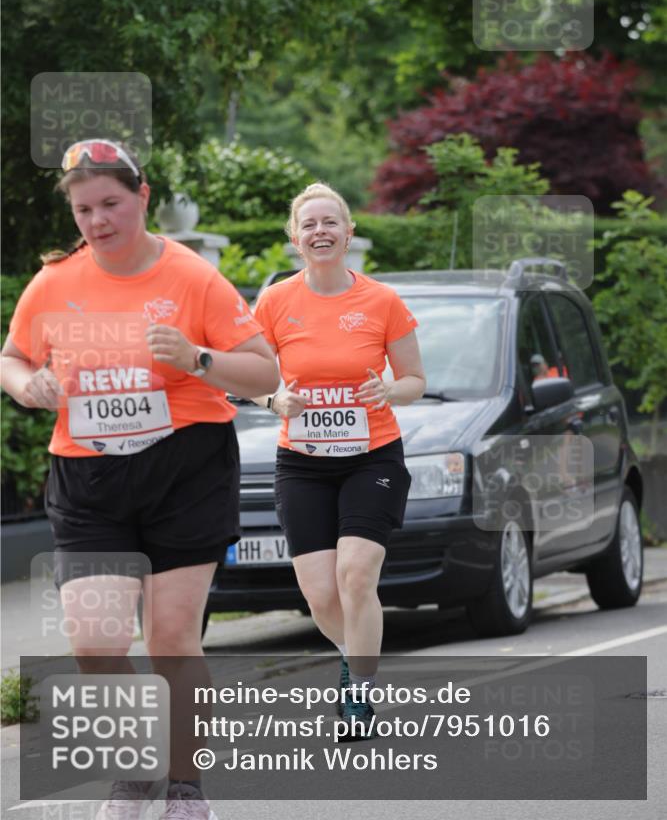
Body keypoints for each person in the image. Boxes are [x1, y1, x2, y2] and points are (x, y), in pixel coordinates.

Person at [0, 139, 280, 819]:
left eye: (111, 204)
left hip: (185, 468)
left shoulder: (192, 278)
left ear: (142, 196)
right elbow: (12, 357)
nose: (98, 221)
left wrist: (196, 358)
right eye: (84, 210)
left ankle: (185, 788)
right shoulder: (55, 282)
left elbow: (265, 372)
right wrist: (28, 385)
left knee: (171, 639)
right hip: (89, 476)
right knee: (94, 642)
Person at [252, 182, 425, 739]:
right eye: (309, 224)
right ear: (295, 237)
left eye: (330, 222)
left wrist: (389, 391)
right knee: (321, 594)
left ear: (348, 233)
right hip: (302, 462)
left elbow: (415, 380)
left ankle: (359, 694)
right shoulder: (275, 302)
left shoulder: (382, 301)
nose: (320, 231)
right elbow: (251, 376)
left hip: (372, 456)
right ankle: (354, 654)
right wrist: (273, 400)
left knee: (355, 574)